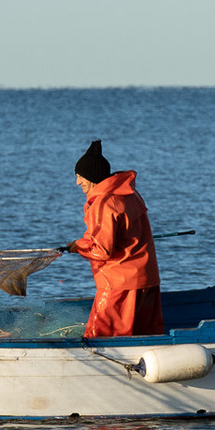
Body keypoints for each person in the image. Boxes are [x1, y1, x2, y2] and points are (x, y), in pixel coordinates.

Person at [69, 140, 163, 337]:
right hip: (148, 280)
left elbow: (102, 250)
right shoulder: (130, 194)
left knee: (100, 337)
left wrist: (78, 246)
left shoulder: (103, 203)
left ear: (92, 176)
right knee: (146, 336)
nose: (77, 182)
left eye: (80, 177)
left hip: (119, 285)